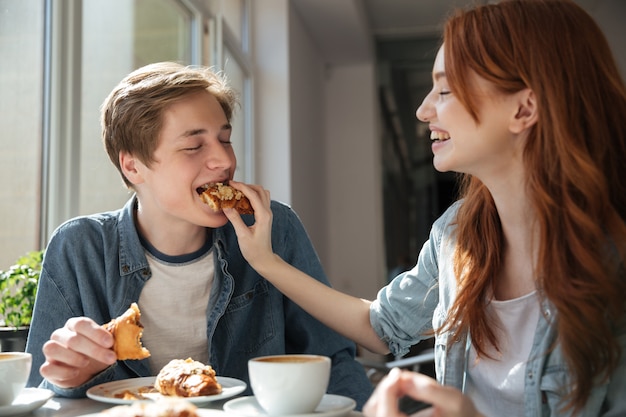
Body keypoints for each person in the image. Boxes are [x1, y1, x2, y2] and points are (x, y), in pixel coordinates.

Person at [223, 0, 626, 416]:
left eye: (446, 90)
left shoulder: (613, 265)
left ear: (523, 108)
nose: (423, 110)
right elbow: (379, 327)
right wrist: (266, 262)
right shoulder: (456, 234)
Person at [24, 62, 373, 408]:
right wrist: (73, 376)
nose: (223, 160)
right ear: (133, 166)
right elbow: (41, 392)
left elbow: (333, 362)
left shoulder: (272, 227)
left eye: (225, 139)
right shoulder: (79, 248)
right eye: (194, 147)